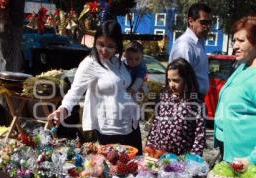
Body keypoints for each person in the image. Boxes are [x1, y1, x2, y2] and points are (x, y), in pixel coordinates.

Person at [47, 20, 142, 153]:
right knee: (115, 169)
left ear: (118, 46)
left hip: (131, 123)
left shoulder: (118, 62)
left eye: (110, 46)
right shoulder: (89, 64)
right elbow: (75, 91)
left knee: (138, 167)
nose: (104, 50)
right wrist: (63, 109)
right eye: (100, 44)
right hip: (110, 128)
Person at [214, 15, 256, 178]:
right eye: (234, 40)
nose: (234, 46)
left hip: (251, 164)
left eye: (240, 41)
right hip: (235, 156)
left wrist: (254, 159)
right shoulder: (246, 65)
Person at [146, 58, 206, 155]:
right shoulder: (164, 98)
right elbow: (156, 124)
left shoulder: (196, 103)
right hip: (158, 155)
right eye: (169, 80)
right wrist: (149, 146)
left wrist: (194, 159)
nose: (171, 85)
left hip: (181, 159)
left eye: (176, 80)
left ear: (187, 79)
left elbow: (200, 135)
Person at [169, 3, 212, 100]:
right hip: (187, 100)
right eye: (204, 22)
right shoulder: (185, 45)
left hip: (196, 99)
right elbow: (179, 80)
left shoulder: (199, 42)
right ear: (191, 21)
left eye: (210, 23)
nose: (208, 26)